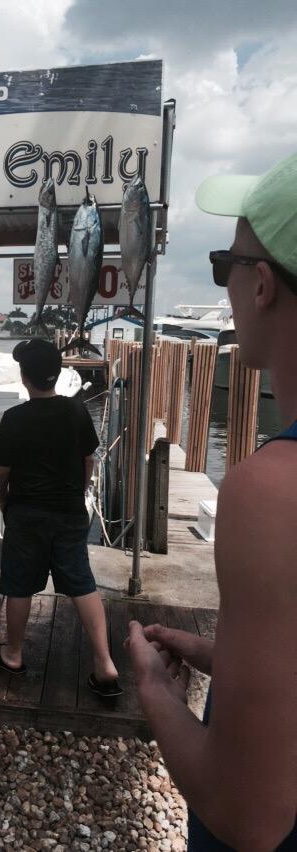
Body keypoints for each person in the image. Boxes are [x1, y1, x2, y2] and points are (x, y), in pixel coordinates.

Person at [127, 152, 297, 850]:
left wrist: (155, 691)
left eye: (224, 262)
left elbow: (247, 814)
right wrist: (220, 653)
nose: (224, 283)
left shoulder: (273, 490)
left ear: (261, 285)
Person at [0, 338, 121, 696]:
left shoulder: (15, 418)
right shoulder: (75, 412)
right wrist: (77, 491)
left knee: (18, 584)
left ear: (24, 378)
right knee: (81, 583)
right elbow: (88, 460)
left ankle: (12, 653)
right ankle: (105, 663)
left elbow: (0, 471)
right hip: (69, 512)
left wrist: (4, 503)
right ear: (57, 376)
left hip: (27, 512)